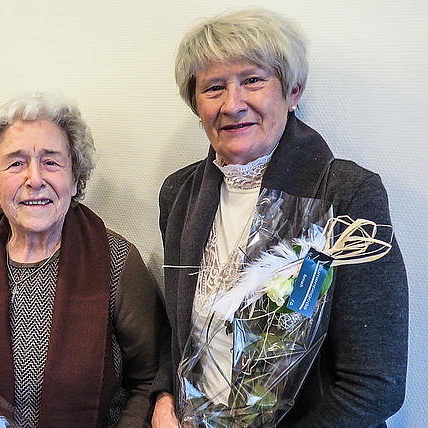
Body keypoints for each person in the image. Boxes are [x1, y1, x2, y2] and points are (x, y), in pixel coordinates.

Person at [151, 8, 408, 428]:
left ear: (293, 91)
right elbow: (181, 329)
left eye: (252, 80)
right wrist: (164, 396)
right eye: (213, 87)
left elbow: (375, 384)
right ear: (196, 103)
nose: (232, 104)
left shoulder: (346, 194)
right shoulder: (179, 194)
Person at [0, 92, 162, 428]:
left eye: (51, 162)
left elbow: (150, 381)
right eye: (16, 163)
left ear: (75, 179)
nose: (35, 179)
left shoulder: (117, 262)